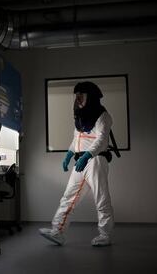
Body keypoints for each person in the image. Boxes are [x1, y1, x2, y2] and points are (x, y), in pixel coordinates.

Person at [39, 81, 114, 247]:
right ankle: (57, 231)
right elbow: (77, 139)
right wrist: (69, 154)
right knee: (68, 197)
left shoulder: (103, 115)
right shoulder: (81, 116)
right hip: (81, 161)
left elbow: (101, 140)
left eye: (81, 95)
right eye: (77, 95)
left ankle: (105, 235)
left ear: (91, 96)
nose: (78, 98)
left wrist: (87, 156)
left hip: (95, 161)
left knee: (101, 198)